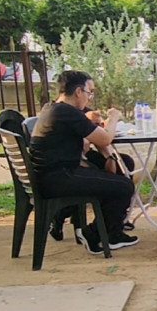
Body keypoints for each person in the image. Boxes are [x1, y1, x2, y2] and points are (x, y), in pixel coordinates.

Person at [29, 70, 137, 253]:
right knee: (123, 186)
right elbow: (104, 139)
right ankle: (96, 234)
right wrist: (114, 118)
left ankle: (111, 226)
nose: (90, 97)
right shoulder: (67, 112)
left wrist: (106, 154)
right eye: (89, 92)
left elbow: (92, 138)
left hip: (54, 172)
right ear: (78, 92)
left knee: (123, 164)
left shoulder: (54, 107)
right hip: (58, 177)